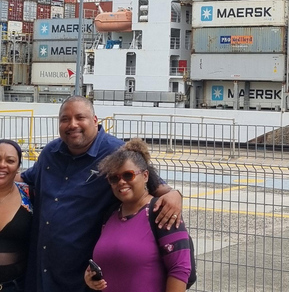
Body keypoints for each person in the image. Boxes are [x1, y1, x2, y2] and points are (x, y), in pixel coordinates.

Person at [20, 96, 183, 292]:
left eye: (80, 117)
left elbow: (153, 184)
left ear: (95, 120)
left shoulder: (115, 152)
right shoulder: (49, 153)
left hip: (85, 278)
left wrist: (175, 195)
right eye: (65, 119)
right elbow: (23, 179)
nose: (72, 124)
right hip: (42, 272)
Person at [85, 139, 191, 291]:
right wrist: (90, 278)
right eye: (114, 178)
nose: (121, 182)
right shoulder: (110, 215)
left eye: (128, 175)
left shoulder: (161, 211)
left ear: (145, 175)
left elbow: (180, 269)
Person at [0, 140, 33, 291]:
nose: (2, 165)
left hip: (15, 285)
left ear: (18, 166)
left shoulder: (30, 195)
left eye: (10, 160)